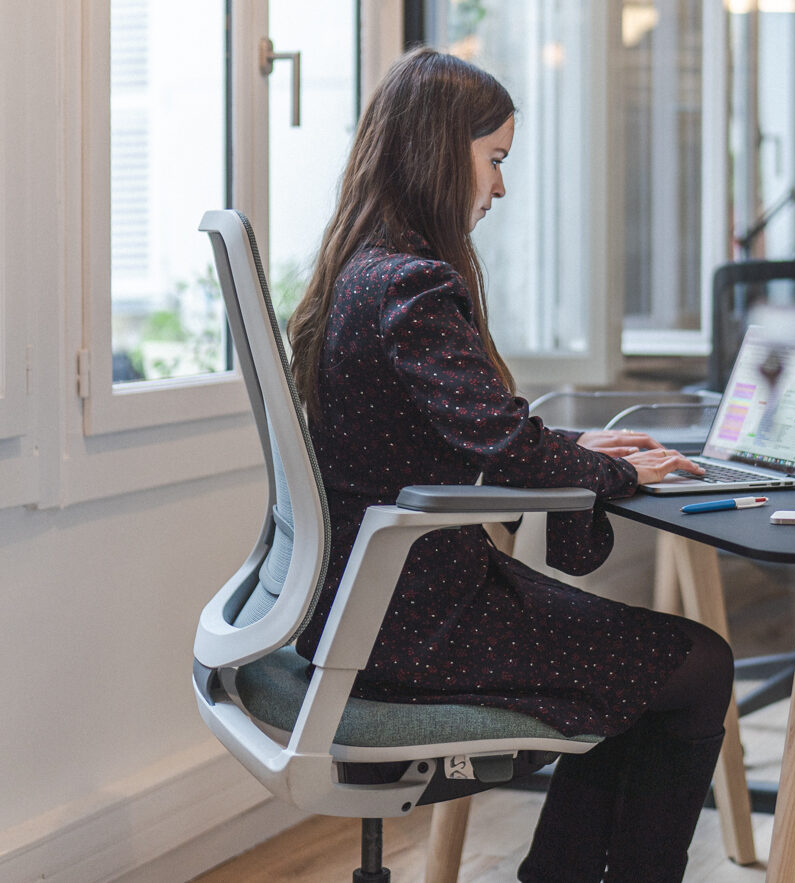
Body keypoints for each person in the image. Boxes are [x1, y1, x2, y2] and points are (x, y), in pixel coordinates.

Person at [286, 46, 734, 883]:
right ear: (438, 150)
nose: (498, 186)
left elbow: (474, 436)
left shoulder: (360, 271)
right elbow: (508, 446)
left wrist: (575, 453)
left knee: (646, 670)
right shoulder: (414, 286)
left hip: (366, 600)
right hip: (409, 621)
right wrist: (622, 472)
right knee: (699, 664)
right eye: (493, 159)